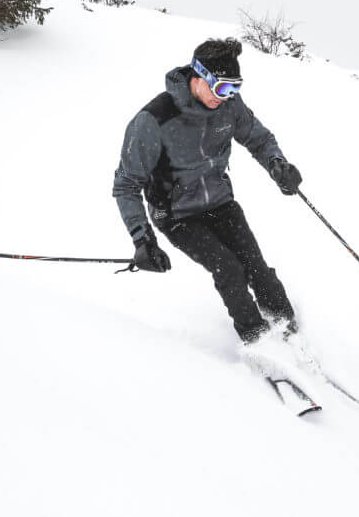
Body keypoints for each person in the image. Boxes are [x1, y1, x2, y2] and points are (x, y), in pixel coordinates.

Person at [113, 38, 304, 344]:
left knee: (256, 266)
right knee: (228, 269)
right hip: (177, 214)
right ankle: (258, 340)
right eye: (222, 88)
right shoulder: (153, 121)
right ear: (199, 77)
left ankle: (290, 329)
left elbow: (259, 139)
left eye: (235, 88)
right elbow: (125, 184)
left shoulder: (228, 107)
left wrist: (277, 164)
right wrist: (142, 239)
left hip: (219, 200)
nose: (227, 97)